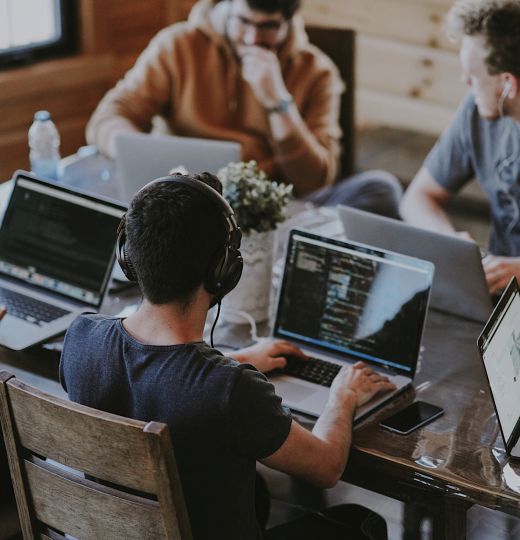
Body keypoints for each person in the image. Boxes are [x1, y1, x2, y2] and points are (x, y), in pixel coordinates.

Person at [60, 172, 394, 540]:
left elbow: (156, 377)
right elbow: (328, 466)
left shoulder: (81, 339)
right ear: (223, 271)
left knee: (257, 494)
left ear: (129, 254)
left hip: (116, 531)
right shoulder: (231, 390)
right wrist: (342, 396)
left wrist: (235, 358)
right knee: (361, 524)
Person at [86, 0, 402, 217]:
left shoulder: (317, 72)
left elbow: (316, 181)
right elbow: (109, 118)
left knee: (381, 189)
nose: (252, 38)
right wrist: (141, 154)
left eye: (267, 27)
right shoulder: (177, 45)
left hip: (271, 212)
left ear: (288, 20)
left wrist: (279, 102)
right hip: (184, 201)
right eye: (243, 22)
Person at [400, 0, 520, 295]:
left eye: (472, 75)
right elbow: (417, 198)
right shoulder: (477, 112)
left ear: (507, 85)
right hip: (498, 297)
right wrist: (451, 243)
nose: (464, 81)